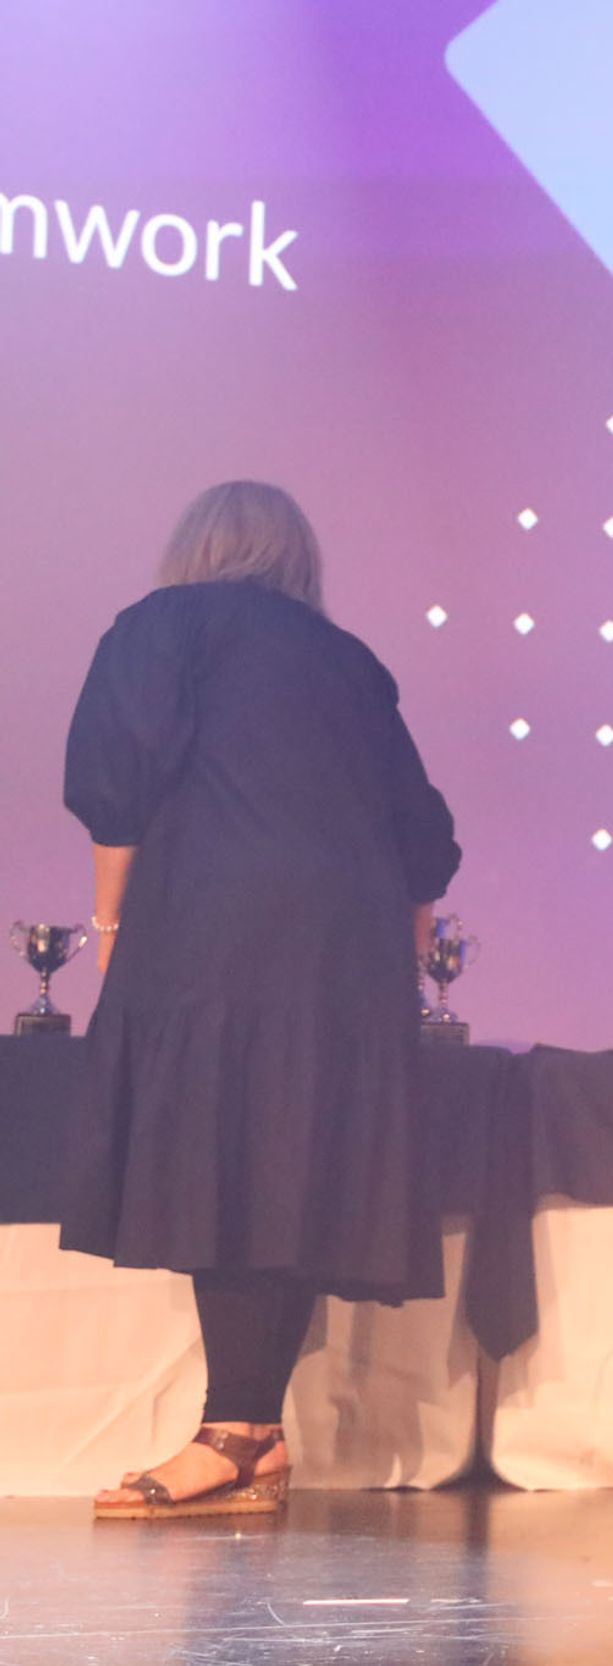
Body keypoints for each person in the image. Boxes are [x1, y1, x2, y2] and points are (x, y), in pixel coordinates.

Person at [64, 480, 461, 1520]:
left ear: (193, 546)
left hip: (221, 926)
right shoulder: (349, 659)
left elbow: (116, 780)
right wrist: (402, 954)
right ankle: (257, 1434)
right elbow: (423, 831)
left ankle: (232, 1432)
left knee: (224, 1159)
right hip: (346, 945)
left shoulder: (165, 624)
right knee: (291, 1165)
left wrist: (110, 922)